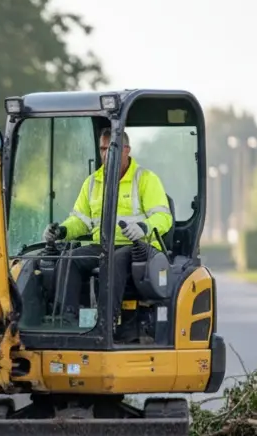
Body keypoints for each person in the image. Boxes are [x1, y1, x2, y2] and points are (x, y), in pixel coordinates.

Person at [42, 127, 173, 340]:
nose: (105, 154)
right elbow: (80, 221)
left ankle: (106, 324)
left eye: (111, 149)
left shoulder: (146, 179)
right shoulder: (92, 182)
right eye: (102, 149)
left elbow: (164, 218)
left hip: (138, 248)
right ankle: (66, 321)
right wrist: (62, 231)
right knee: (69, 259)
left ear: (126, 150)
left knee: (113, 261)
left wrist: (143, 228)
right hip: (103, 245)